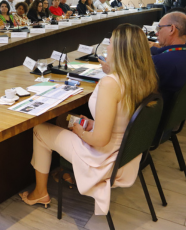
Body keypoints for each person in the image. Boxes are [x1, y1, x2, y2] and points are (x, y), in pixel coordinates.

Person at [19, 23, 158, 216]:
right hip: (125, 152)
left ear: (119, 50)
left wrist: (81, 132)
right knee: (64, 121)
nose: (107, 47)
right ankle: (65, 173)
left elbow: (101, 140)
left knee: (40, 130)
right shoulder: (143, 77)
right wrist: (94, 124)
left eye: (110, 43)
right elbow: (123, 116)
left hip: (103, 158)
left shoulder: (111, 83)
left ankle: (40, 192)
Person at [151, 12, 186, 108]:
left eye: (159, 28)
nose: (157, 33)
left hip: (157, 115)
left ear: (172, 29)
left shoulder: (160, 62)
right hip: (176, 114)